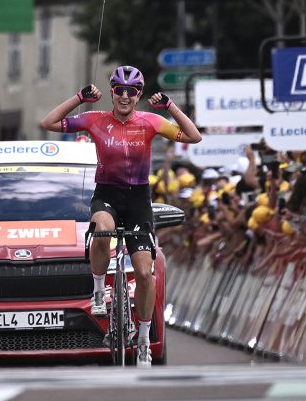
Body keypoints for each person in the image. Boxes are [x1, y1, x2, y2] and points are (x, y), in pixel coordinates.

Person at [39, 64, 202, 367]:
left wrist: (170, 106)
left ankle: (142, 339)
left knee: (143, 273)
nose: (126, 97)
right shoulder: (95, 119)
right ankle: (99, 291)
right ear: (112, 92)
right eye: (120, 90)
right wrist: (79, 98)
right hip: (108, 195)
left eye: (133, 92)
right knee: (102, 227)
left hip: (138, 200)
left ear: (139, 95)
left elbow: (194, 137)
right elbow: (48, 121)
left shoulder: (151, 122)